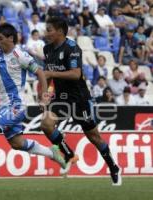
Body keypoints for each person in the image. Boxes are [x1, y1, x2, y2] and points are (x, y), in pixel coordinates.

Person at [0, 23, 66, 179]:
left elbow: (41, 73)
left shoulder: (20, 55)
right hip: (5, 106)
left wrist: (44, 95)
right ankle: (52, 153)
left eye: (0, 38)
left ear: (10, 38)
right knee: (17, 143)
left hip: (16, 105)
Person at [41, 17, 121, 186]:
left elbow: (76, 74)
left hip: (80, 99)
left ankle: (113, 167)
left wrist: (50, 75)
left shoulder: (72, 48)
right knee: (46, 124)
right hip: (62, 98)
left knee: (94, 137)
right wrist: (47, 93)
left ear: (61, 31)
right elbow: (48, 75)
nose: (46, 33)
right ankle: (69, 154)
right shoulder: (47, 49)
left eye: (49, 30)